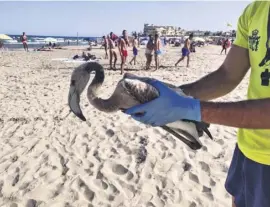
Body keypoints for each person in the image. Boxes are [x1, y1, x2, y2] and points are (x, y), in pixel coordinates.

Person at [125, 1, 270, 207]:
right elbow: (227, 75)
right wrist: (176, 94)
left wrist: (194, 109)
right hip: (248, 150)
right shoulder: (255, 10)